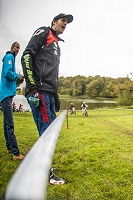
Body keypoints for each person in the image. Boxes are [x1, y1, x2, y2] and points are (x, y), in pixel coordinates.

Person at [21, 13, 73, 185]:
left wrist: (56, 96)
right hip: (39, 90)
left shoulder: (58, 44)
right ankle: (45, 172)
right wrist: (33, 87)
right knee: (46, 132)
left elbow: (54, 73)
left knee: (50, 132)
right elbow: (27, 56)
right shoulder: (44, 32)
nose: (65, 23)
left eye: (67, 22)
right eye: (62, 21)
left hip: (50, 92)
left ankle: (40, 161)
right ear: (54, 22)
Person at [0, 42, 24, 160]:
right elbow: (7, 73)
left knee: (6, 123)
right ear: (12, 47)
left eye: (19, 48)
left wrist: (18, 80)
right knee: (10, 123)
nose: (18, 50)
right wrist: (17, 76)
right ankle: (16, 153)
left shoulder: (11, 59)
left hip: (6, 94)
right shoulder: (9, 56)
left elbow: (9, 76)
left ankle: (9, 147)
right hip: (5, 94)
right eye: (16, 47)